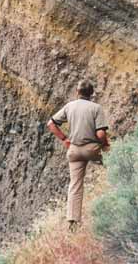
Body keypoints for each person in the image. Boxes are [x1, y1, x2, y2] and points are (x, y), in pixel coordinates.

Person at [47, 80, 109, 231]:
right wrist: (106, 145)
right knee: (114, 164)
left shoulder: (70, 106)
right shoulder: (96, 108)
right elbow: (100, 133)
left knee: (75, 185)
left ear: (77, 92)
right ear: (92, 94)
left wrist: (64, 139)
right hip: (92, 149)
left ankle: (73, 222)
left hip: (74, 150)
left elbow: (51, 124)